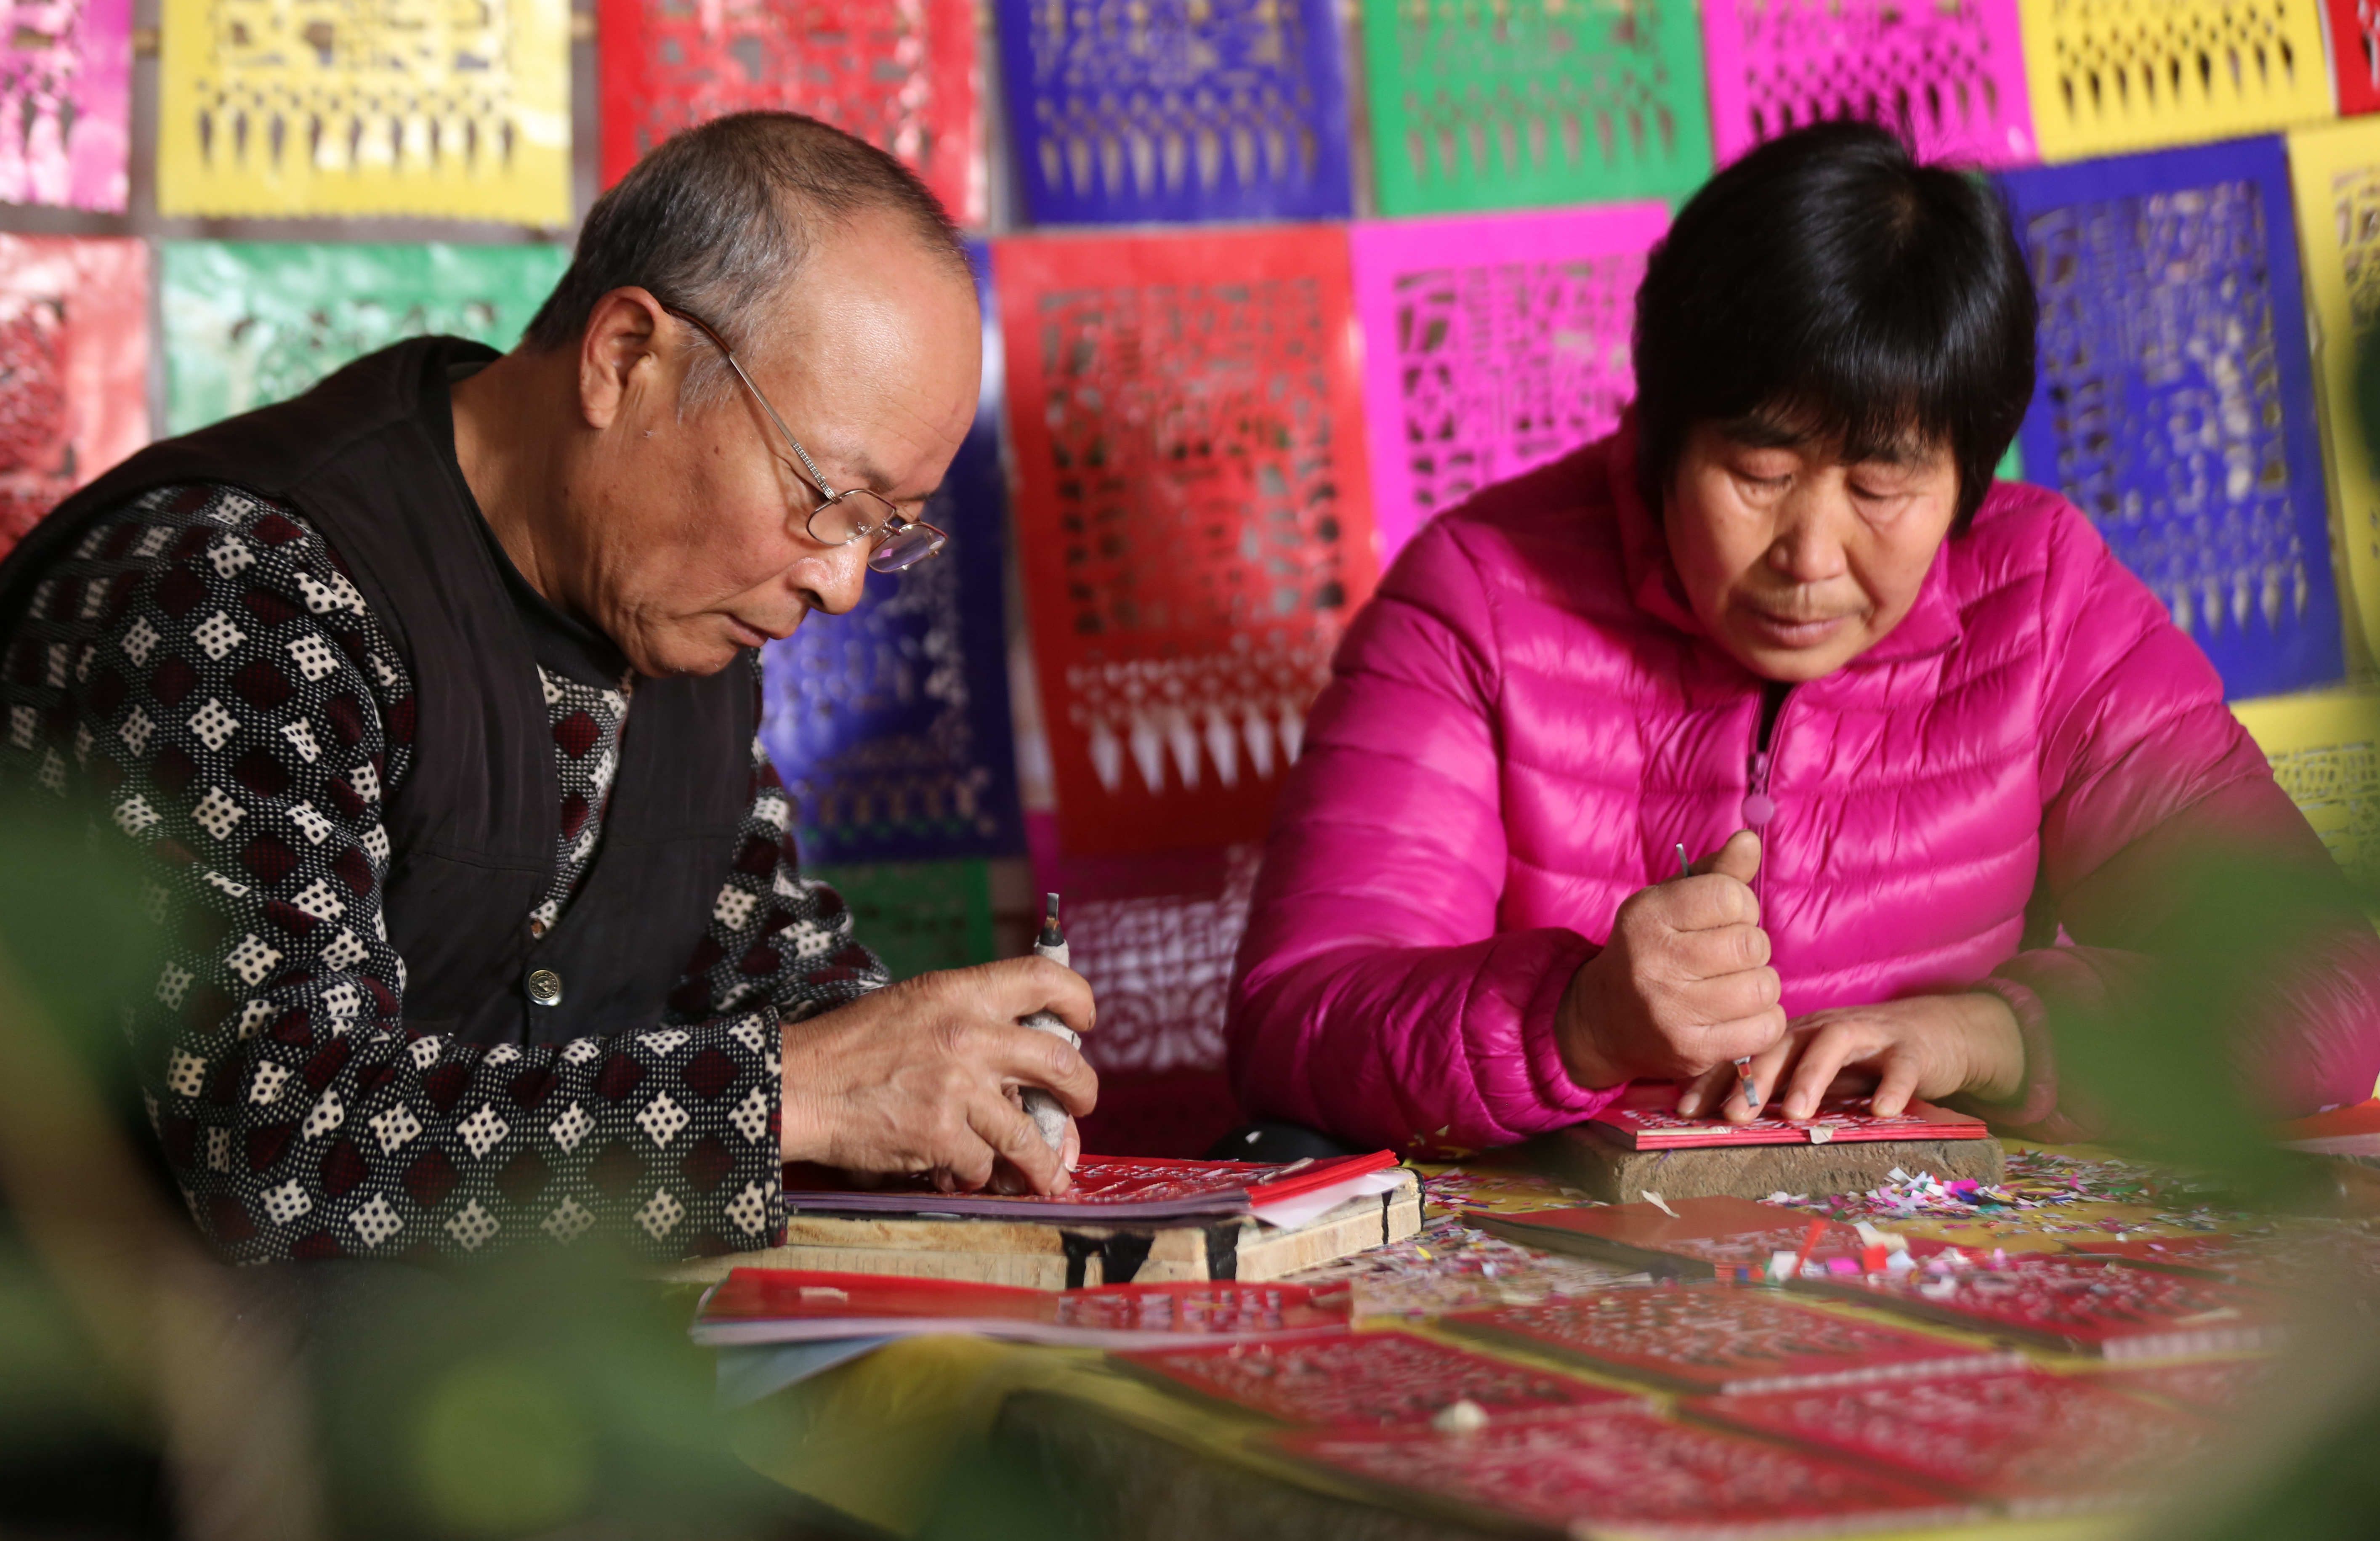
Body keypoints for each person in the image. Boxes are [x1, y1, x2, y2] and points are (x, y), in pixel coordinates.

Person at [0, 112, 1096, 1265]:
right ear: (625, 356)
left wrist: (950, 1078)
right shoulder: (241, 585)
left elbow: (766, 975)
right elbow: (280, 1153)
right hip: (130, 1423)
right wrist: (793, 1101)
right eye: (828, 496)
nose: (841, 581)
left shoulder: (675, 621)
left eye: (889, 529)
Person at [1229, 122, 2380, 1156]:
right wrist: (1576, 1024)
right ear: (1660, 434)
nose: (1812, 555)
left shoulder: (2045, 595)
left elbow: (2329, 985)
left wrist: (1995, 1034)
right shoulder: (1480, 594)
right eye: (1759, 473)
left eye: (1881, 488)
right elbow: (1295, 1023)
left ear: (1969, 480)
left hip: (1943, 1309)